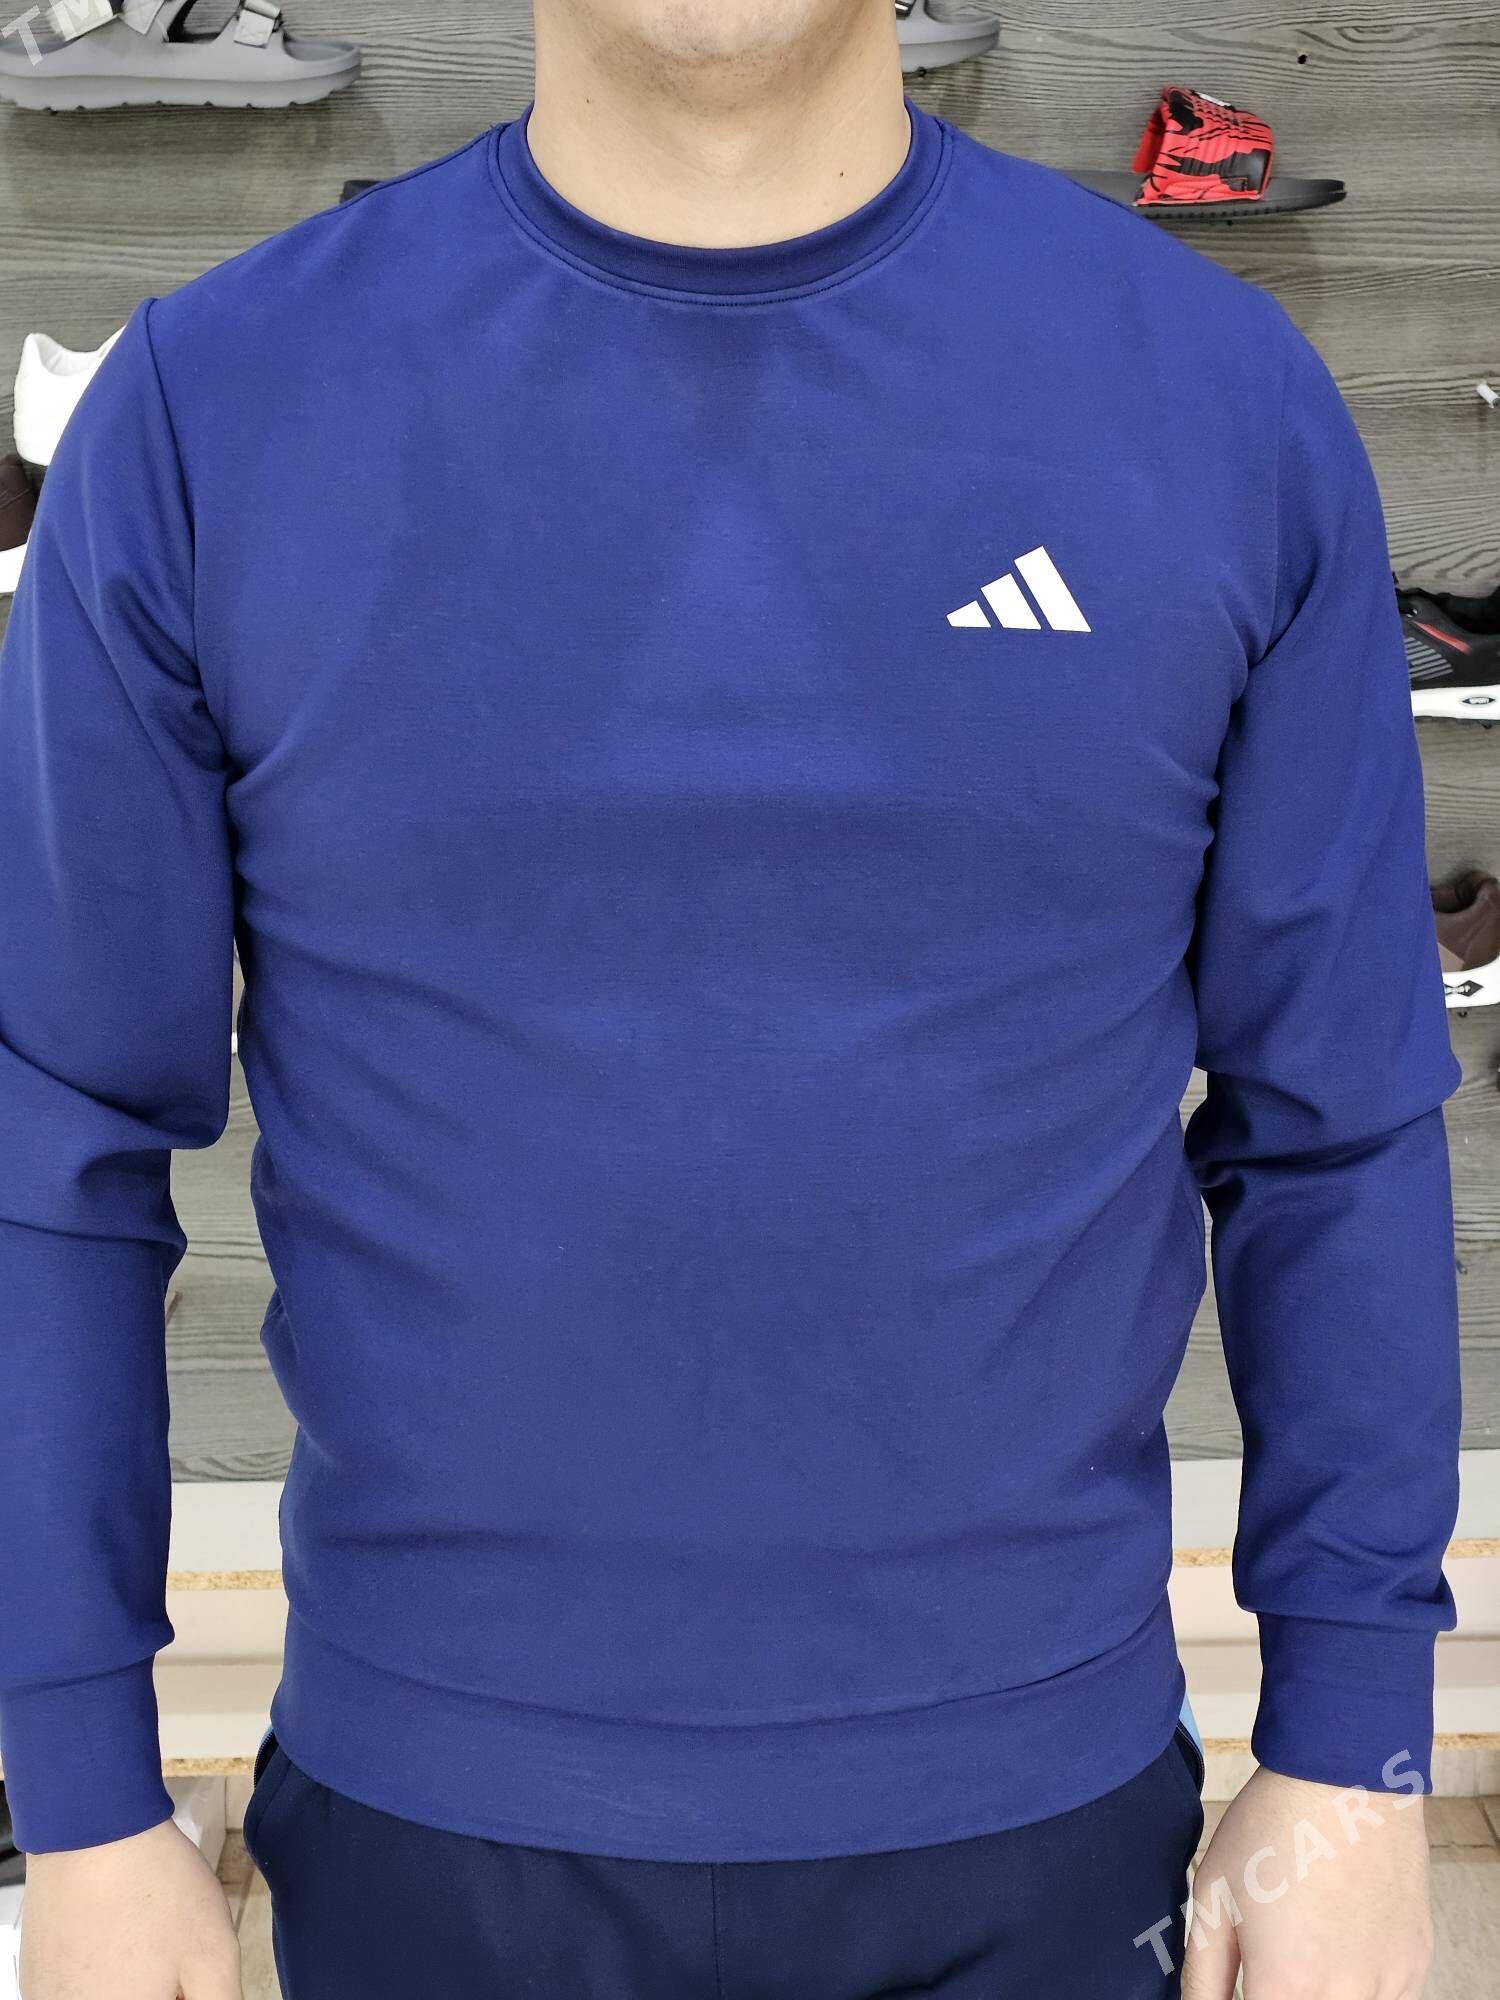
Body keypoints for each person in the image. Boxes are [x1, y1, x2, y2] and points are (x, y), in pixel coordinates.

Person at [0, 3, 1459, 1996]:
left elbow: (1337, 1122)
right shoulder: (210, 409)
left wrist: (1360, 1746)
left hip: (1037, 1827)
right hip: (436, 1827)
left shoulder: (1219, 401)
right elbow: (52, 1136)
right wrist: (81, 1790)